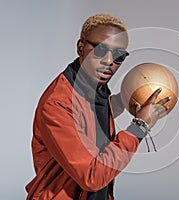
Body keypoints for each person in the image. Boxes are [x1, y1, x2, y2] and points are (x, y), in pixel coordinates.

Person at [25, 13, 170, 200]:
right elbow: (92, 176)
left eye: (118, 56)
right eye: (100, 50)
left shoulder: (92, 89)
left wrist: (123, 100)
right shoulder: (57, 104)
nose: (109, 61)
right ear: (81, 48)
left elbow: (91, 114)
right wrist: (139, 127)